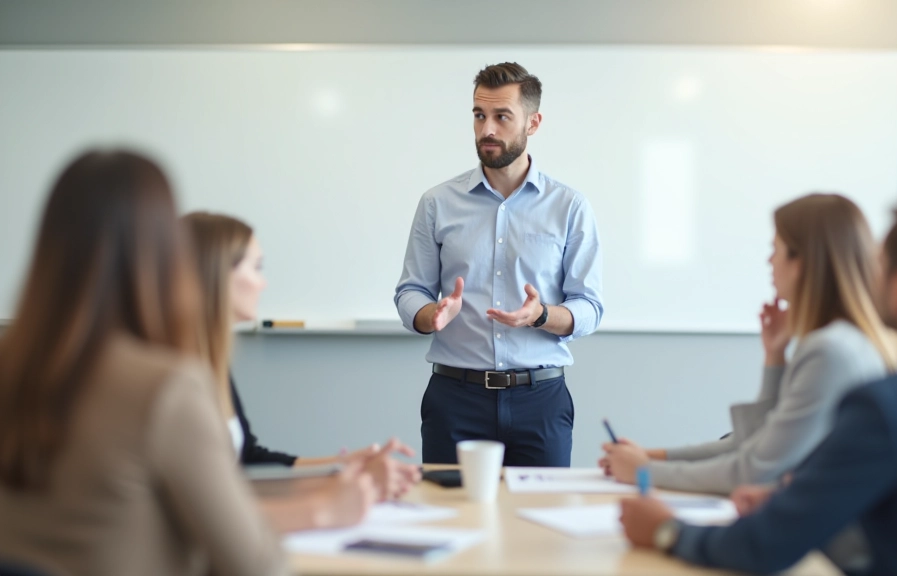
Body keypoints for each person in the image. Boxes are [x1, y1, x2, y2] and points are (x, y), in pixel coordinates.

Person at [0, 150, 373, 576]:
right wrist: (324, 511)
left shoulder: (13, 366)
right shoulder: (165, 388)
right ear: (160, 252)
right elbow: (255, 564)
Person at [619, 190, 897, 576]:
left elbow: (766, 546)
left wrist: (666, 530)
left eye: (880, 266)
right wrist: (797, 497)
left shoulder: (889, 406)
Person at [602, 193, 897, 494]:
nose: (769, 261)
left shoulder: (829, 352)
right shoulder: (847, 342)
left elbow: (754, 470)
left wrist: (645, 472)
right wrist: (775, 355)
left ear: (801, 262)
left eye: (775, 250)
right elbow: (761, 442)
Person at [394, 62, 603, 466]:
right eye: (479, 115)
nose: (487, 129)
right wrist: (428, 314)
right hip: (455, 399)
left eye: (502, 116)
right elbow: (411, 291)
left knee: (539, 523)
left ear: (533, 122)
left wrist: (541, 315)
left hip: (539, 400)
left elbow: (589, 307)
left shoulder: (570, 207)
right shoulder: (437, 203)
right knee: (451, 519)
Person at [183, 211, 421, 500]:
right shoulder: (179, 378)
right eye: (256, 268)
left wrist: (343, 466)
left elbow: (248, 459)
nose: (263, 284)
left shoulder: (212, 361)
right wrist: (329, 506)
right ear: (218, 274)